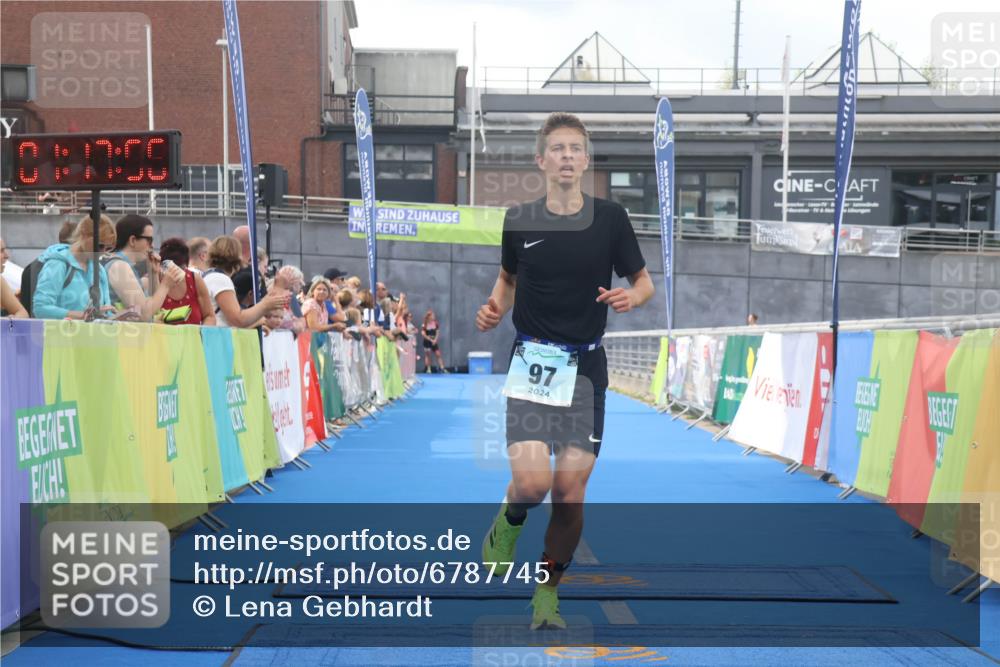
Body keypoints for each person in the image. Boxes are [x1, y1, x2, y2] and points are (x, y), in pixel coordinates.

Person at [475, 112, 654, 630]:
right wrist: (493, 308)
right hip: (532, 363)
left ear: (586, 160)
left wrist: (631, 297)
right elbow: (506, 280)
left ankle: (546, 593)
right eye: (558, 148)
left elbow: (643, 282)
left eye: (576, 148)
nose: (568, 156)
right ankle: (508, 521)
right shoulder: (519, 219)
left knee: (569, 490)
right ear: (541, 160)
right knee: (531, 485)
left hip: (585, 369)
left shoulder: (611, 219)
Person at [32, 214, 118, 320]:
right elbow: (40, 309)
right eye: (99, 245)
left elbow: (106, 311)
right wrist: (83, 315)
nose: (103, 252)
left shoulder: (100, 270)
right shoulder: (58, 264)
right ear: (83, 234)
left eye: (109, 248)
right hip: (61, 334)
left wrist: (117, 317)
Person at [103, 214, 185, 321]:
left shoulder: (121, 264)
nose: (152, 245)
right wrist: (165, 285)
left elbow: (153, 306)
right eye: (149, 240)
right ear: (133, 240)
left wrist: (153, 273)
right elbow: (143, 314)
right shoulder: (119, 266)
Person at [203, 236, 287, 328]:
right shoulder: (220, 279)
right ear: (237, 256)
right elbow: (238, 319)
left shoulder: (208, 276)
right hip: (218, 338)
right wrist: (265, 305)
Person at [156, 237, 216, 326]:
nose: (176, 274)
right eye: (172, 269)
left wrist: (200, 333)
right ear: (162, 266)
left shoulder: (195, 279)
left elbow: (209, 316)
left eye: (181, 269)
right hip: (163, 337)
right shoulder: (154, 281)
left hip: (192, 337)